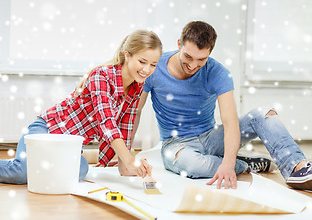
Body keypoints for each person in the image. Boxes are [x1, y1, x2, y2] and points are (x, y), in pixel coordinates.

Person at [133, 21, 312, 191]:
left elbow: (230, 122)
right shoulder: (154, 67)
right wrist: (126, 151)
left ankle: (298, 169)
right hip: (176, 145)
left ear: (210, 52)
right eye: (188, 56)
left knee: (264, 114)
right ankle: (243, 164)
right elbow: (136, 110)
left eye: (201, 59)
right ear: (179, 44)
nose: (192, 65)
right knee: (191, 166)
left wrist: (227, 164)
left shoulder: (219, 73)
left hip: (211, 137)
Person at [0, 30, 163, 184]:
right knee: (20, 172)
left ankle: (35, 164)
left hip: (68, 147)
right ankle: (27, 164)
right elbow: (107, 124)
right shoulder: (101, 77)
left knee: (80, 170)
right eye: (142, 62)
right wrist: (129, 160)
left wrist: (129, 167)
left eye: (153, 65)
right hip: (47, 131)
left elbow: (125, 129)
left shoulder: (136, 89)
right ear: (127, 55)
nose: (147, 69)